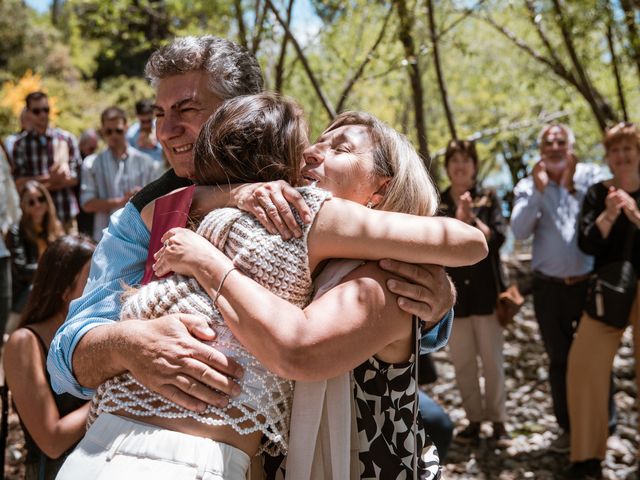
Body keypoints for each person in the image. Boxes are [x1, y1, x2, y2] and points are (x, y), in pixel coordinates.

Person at [58, 93, 486, 479]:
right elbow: (154, 216)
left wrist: (209, 263)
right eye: (316, 143)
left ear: (380, 190)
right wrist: (231, 194)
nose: (313, 154)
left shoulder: (381, 276)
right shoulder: (286, 246)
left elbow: (298, 348)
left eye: (340, 148)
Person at [510, 123, 615, 452]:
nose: (554, 146)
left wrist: (570, 186)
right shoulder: (529, 185)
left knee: (596, 358)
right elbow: (519, 230)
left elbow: (594, 222)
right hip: (547, 290)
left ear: (571, 147)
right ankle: (567, 428)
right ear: (541, 150)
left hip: (587, 285)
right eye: (547, 142)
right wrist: (541, 193)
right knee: (559, 359)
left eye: (560, 141)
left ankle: (605, 427)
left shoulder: (591, 177)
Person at [565, 122, 640, 479]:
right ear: (608, 156)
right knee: (583, 368)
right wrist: (610, 213)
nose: (622, 156)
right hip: (608, 289)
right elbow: (586, 243)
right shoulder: (597, 192)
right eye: (615, 150)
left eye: (628, 149)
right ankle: (586, 457)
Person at [3, 235, 95, 480]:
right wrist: (112, 393)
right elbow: (51, 440)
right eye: (93, 276)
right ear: (65, 290)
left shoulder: (96, 334)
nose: (103, 284)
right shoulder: (24, 342)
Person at [439, 139, 510, 447]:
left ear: (475, 166)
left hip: (487, 295)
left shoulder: (488, 197)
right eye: (455, 160)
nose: (460, 165)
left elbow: (498, 238)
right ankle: (473, 421)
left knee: (492, 361)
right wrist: (457, 220)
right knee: (464, 361)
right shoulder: (438, 202)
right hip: (454, 299)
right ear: (447, 167)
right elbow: (436, 244)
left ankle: (498, 422)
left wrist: (472, 221)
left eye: (466, 160)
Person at [80, 106, 158, 241]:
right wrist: (121, 201)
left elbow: (157, 201)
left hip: (139, 238)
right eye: (109, 131)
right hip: (104, 238)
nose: (114, 135)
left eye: (118, 130)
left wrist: (141, 196)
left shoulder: (146, 162)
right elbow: (87, 203)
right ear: (102, 131)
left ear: (127, 128)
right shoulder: (91, 163)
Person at [12, 92, 81, 234]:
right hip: (37, 221)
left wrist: (37, 185)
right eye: (37, 111)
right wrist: (51, 178)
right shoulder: (20, 145)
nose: (43, 115)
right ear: (28, 113)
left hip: (65, 214)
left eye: (46, 110)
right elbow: (20, 184)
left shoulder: (66, 138)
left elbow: (74, 178)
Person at [6, 181, 64, 314]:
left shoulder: (55, 227)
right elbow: (22, 271)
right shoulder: (15, 231)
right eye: (31, 202)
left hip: (50, 285)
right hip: (25, 291)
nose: (37, 204)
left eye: (41, 199)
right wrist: (50, 269)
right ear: (23, 206)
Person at [0, 144, 20, 341]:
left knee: (2, 314)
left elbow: (10, 197)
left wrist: (8, 228)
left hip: (2, 251)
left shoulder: (1, 153)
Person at [76, 129, 99, 237]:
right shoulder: (76, 160)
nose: (93, 151)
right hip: (79, 209)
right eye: (91, 148)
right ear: (82, 144)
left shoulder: (94, 161)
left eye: (95, 148)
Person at [126, 99, 164, 164]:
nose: (146, 125)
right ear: (137, 116)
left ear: (153, 114)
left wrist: (155, 146)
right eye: (143, 122)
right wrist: (138, 147)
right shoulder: (131, 134)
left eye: (149, 121)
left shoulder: (161, 127)